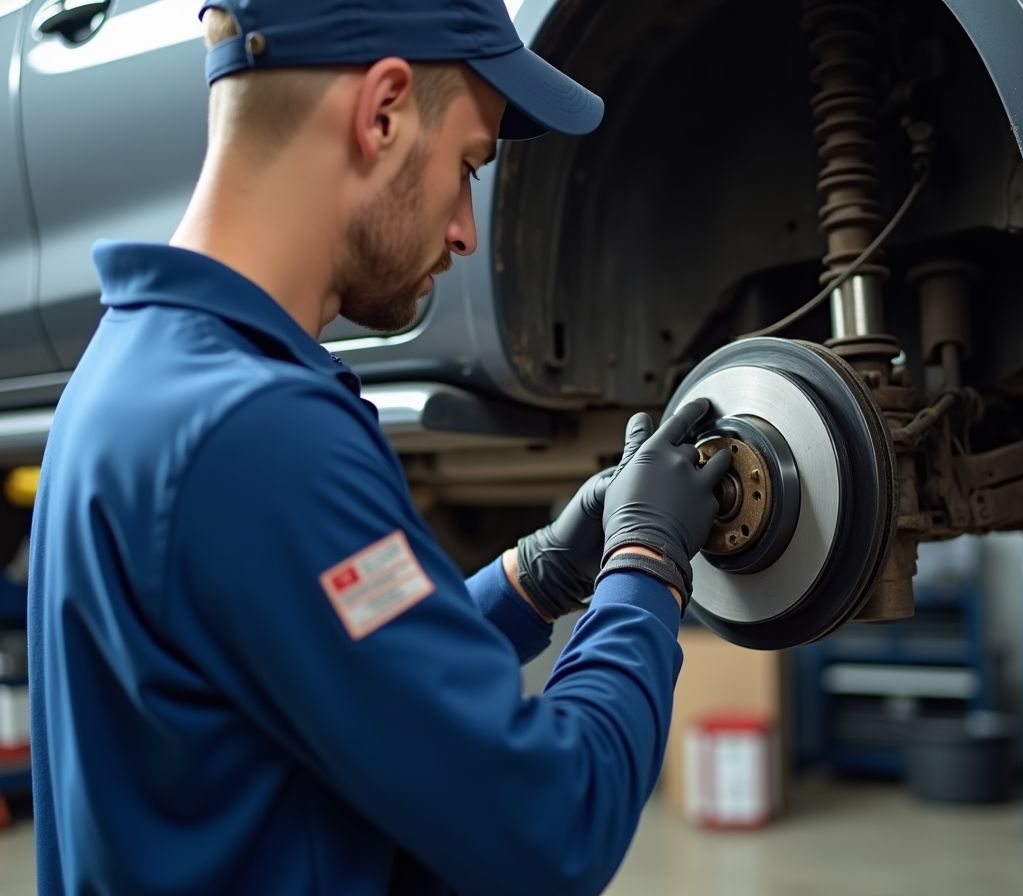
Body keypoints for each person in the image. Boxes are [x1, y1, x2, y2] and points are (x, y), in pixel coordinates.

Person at [26, 1, 732, 893]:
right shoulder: (256, 437)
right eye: (470, 165)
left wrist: (540, 574)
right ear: (384, 111)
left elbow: (334, 671)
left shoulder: (139, 372)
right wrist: (646, 565)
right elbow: (555, 820)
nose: (467, 231)